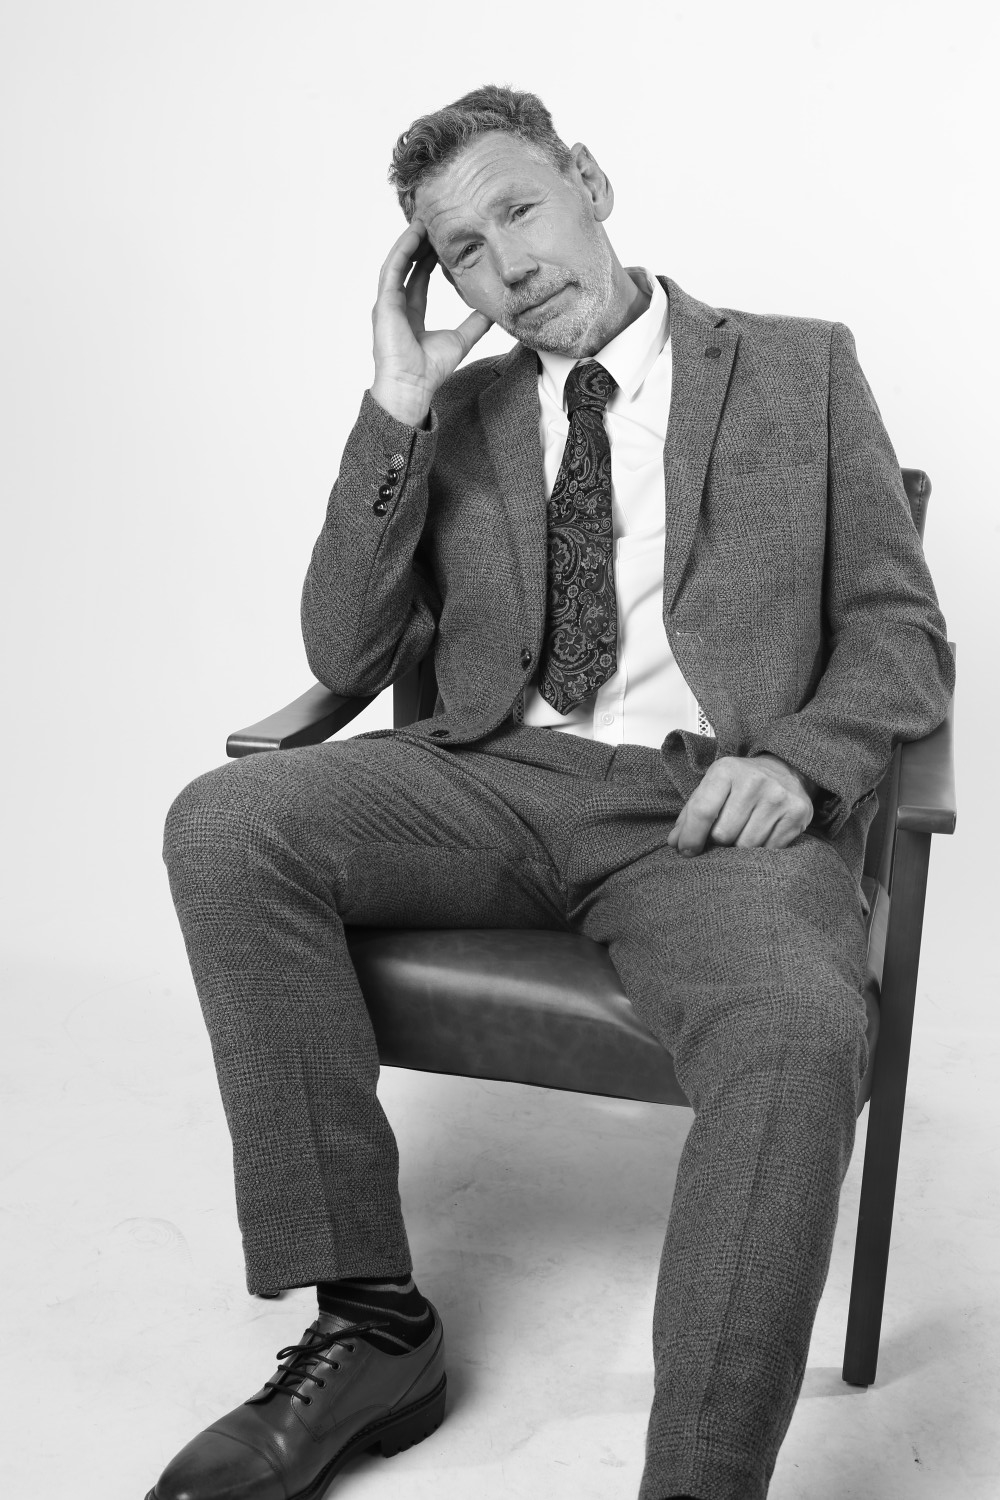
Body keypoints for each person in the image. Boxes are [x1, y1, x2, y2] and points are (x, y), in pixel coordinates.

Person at [149, 85, 955, 1500]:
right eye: (462, 249)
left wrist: (802, 761)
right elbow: (340, 653)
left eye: (520, 209)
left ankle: (700, 1475)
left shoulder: (798, 366)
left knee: (797, 1026)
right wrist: (397, 406)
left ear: (590, 180)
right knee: (224, 824)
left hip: (706, 812)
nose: (507, 266)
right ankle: (372, 1325)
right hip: (487, 779)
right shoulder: (456, 413)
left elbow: (900, 627)